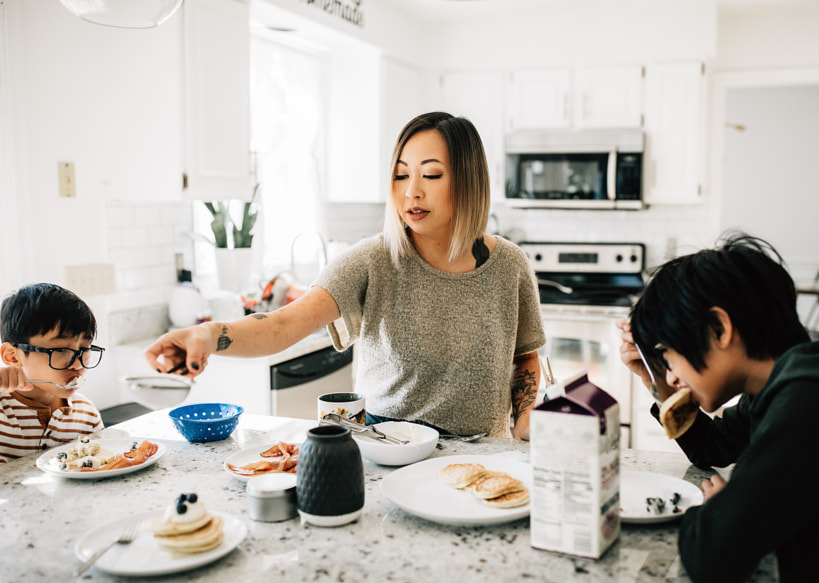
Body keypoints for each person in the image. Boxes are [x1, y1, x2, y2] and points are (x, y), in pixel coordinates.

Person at [145, 112, 545, 439]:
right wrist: (210, 335)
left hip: (483, 460)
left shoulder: (510, 266)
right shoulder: (372, 260)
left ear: (468, 180)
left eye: (432, 175)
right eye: (402, 175)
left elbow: (524, 357)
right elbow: (283, 325)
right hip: (387, 454)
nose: (411, 193)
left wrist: (525, 417)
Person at [617, 232, 819, 583]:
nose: (671, 375)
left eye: (668, 354)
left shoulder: (808, 407)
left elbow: (711, 558)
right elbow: (712, 447)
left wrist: (718, 510)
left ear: (719, 329)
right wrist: (655, 378)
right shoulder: (790, 381)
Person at [0, 283, 105, 464]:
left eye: (85, 349)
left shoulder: (87, 415)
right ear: (13, 356)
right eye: (61, 350)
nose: (78, 364)